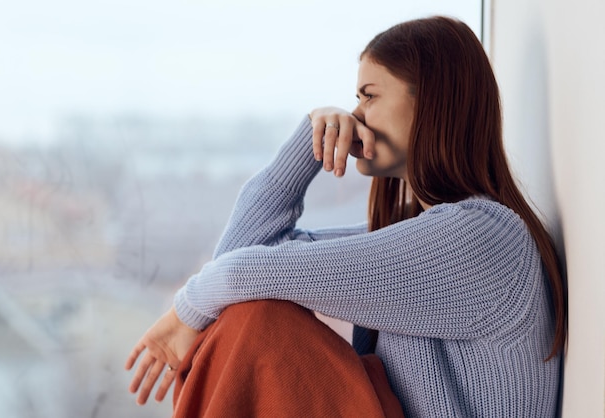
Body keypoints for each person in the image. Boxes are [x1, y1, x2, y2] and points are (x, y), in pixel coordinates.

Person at [125, 16, 566, 417]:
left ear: (431, 101)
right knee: (251, 315)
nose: (355, 115)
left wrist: (184, 313)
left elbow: (246, 271)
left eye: (369, 96)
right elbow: (246, 259)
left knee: (260, 322)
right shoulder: (423, 236)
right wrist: (308, 141)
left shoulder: (483, 240)